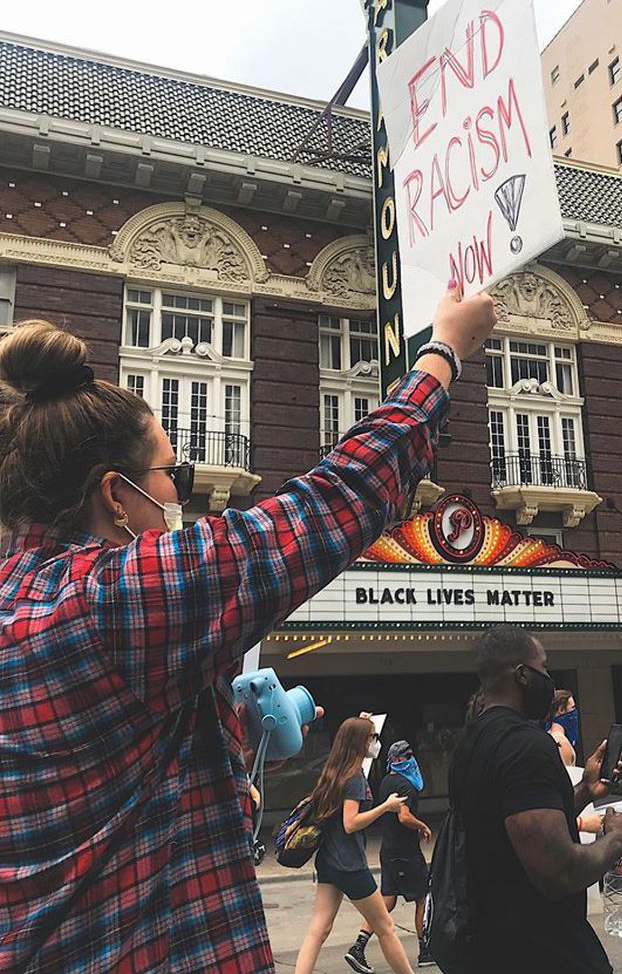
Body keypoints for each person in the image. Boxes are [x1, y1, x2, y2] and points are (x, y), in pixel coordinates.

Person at [0, 287, 496, 972]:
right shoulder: (111, 599)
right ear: (116, 494)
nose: (181, 490)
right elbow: (332, 501)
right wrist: (443, 352)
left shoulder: (19, 600)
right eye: (173, 472)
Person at [440, 625, 622, 973]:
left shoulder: (470, 742)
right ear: (523, 674)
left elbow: (511, 820)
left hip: (488, 945)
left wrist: (584, 789)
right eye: (545, 668)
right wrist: (618, 839)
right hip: (542, 949)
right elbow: (558, 871)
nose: (549, 678)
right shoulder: (526, 744)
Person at [294, 718, 412, 974]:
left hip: (328, 862)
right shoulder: (355, 778)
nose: (376, 743)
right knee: (385, 928)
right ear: (360, 742)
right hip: (351, 866)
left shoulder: (334, 773)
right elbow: (351, 823)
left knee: (318, 930)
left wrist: (362, 722)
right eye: (373, 738)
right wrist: (386, 807)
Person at [346, 740, 434, 972]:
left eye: (411, 754)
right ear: (396, 760)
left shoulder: (387, 780)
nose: (411, 759)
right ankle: (425, 950)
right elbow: (404, 817)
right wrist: (422, 826)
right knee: (422, 897)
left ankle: (359, 946)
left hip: (390, 850)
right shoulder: (405, 785)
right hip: (405, 852)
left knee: (388, 900)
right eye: (406, 756)